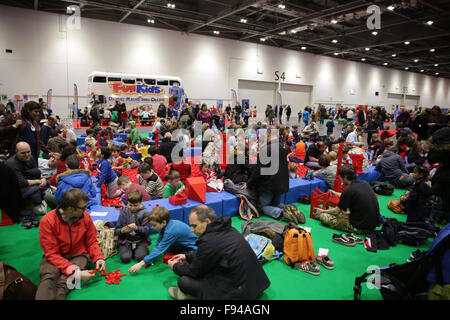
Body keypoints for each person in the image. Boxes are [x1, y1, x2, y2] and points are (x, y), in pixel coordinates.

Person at [166, 205, 270, 300]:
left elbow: (194, 271)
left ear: (207, 221)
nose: (192, 230)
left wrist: (175, 266)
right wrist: (187, 256)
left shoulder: (209, 241)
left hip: (241, 294)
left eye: (194, 226)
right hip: (257, 285)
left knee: (184, 281)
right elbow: (210, 253)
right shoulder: (227, 228)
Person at [35, 188, 106, 300]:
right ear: (71, 209)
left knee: (66, 283)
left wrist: (98, 258)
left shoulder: (85, 217)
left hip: (78, 255)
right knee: (48, 277)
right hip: (55, 257)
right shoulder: (47, 221)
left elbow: (91, 241)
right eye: (83, 208)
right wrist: (76, 272)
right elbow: (52, 253)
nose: (86, 210)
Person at [128, 206, 198, 273]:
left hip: (194, 246)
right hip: (180, 242)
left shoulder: (170, 231)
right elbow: (159, 241)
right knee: (166, 251)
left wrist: (141, 263)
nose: (152, 227)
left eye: (154, 225)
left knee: (190, 260)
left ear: (163, 222)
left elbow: (160, 249)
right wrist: (150, 257)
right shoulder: (166, 225)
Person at [314, 165, 380, 235]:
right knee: (346, 213)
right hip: (372, 224)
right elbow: (353, 196)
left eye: (340, 177)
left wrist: (322, 211)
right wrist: (338, 194)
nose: (340, 179)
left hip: (361, 227)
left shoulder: (348, 190)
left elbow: (336, 212)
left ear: (345, 177)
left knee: (323, 216)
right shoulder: (364, 183)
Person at [245, 129, 294, 221]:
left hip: (269, 184)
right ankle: (287, 208)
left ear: (268, 135)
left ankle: (282, 213)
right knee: (275, 204)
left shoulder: (265, 149)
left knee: (263, 207)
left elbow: (258, 170)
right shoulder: (283, 149)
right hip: (282, 183)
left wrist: (249, 183)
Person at [114, 189, 151, 263]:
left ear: (140, 203)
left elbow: (147, 230)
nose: (132, 208)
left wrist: (137, 228)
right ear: (127, 202)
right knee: (125, 258)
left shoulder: (145, 213)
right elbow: (116, 230)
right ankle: (131, 250)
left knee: (140, 257)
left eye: (135, 205)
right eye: (130, 205)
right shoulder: (123, 211)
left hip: (140, 240)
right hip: (126, 240)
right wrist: (122, 230)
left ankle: (138, 250)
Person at [12, 101, 52, 165]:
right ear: (28, 110)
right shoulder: (18, 120)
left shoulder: (34, 123)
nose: (38, 114)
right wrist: (14, 126)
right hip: (21, 157)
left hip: (34, 156)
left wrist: (48, 152)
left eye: (38, 112)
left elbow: (39, 141)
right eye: (35, 111)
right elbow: (4, 130)